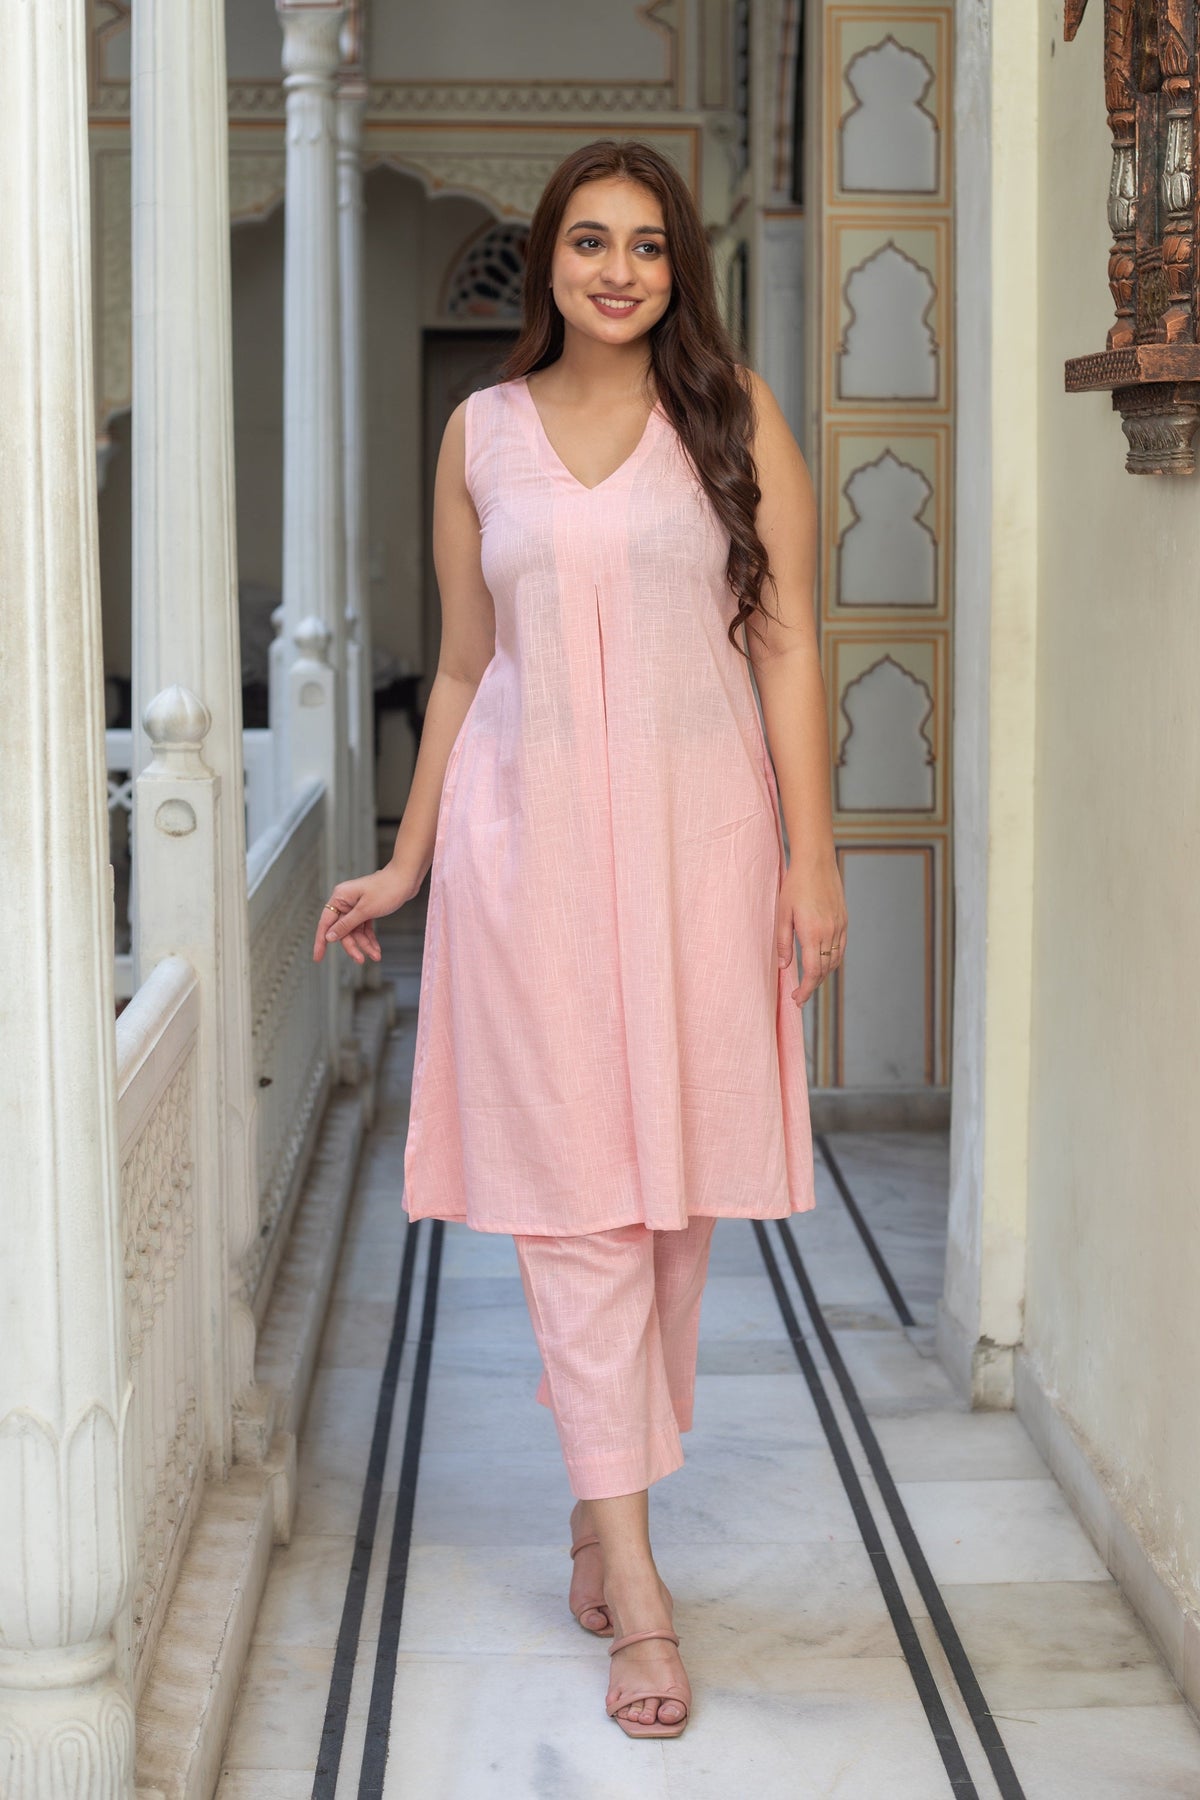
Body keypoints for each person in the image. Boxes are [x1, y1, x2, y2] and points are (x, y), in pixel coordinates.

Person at [311, 138, 846, 1740]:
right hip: (526, 864)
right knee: (580, 1214)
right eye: (591, 241)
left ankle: (598, 1500)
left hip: (701, 859)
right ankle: (641, 1586)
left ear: (682, 268)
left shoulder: (733, 415)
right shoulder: (481, 434)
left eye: (649, 246)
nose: (620, 270)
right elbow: (467, 666)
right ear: (545, 258)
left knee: (674, 1214)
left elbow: (788, 645)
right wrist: (408, 860)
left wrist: (813, 861)